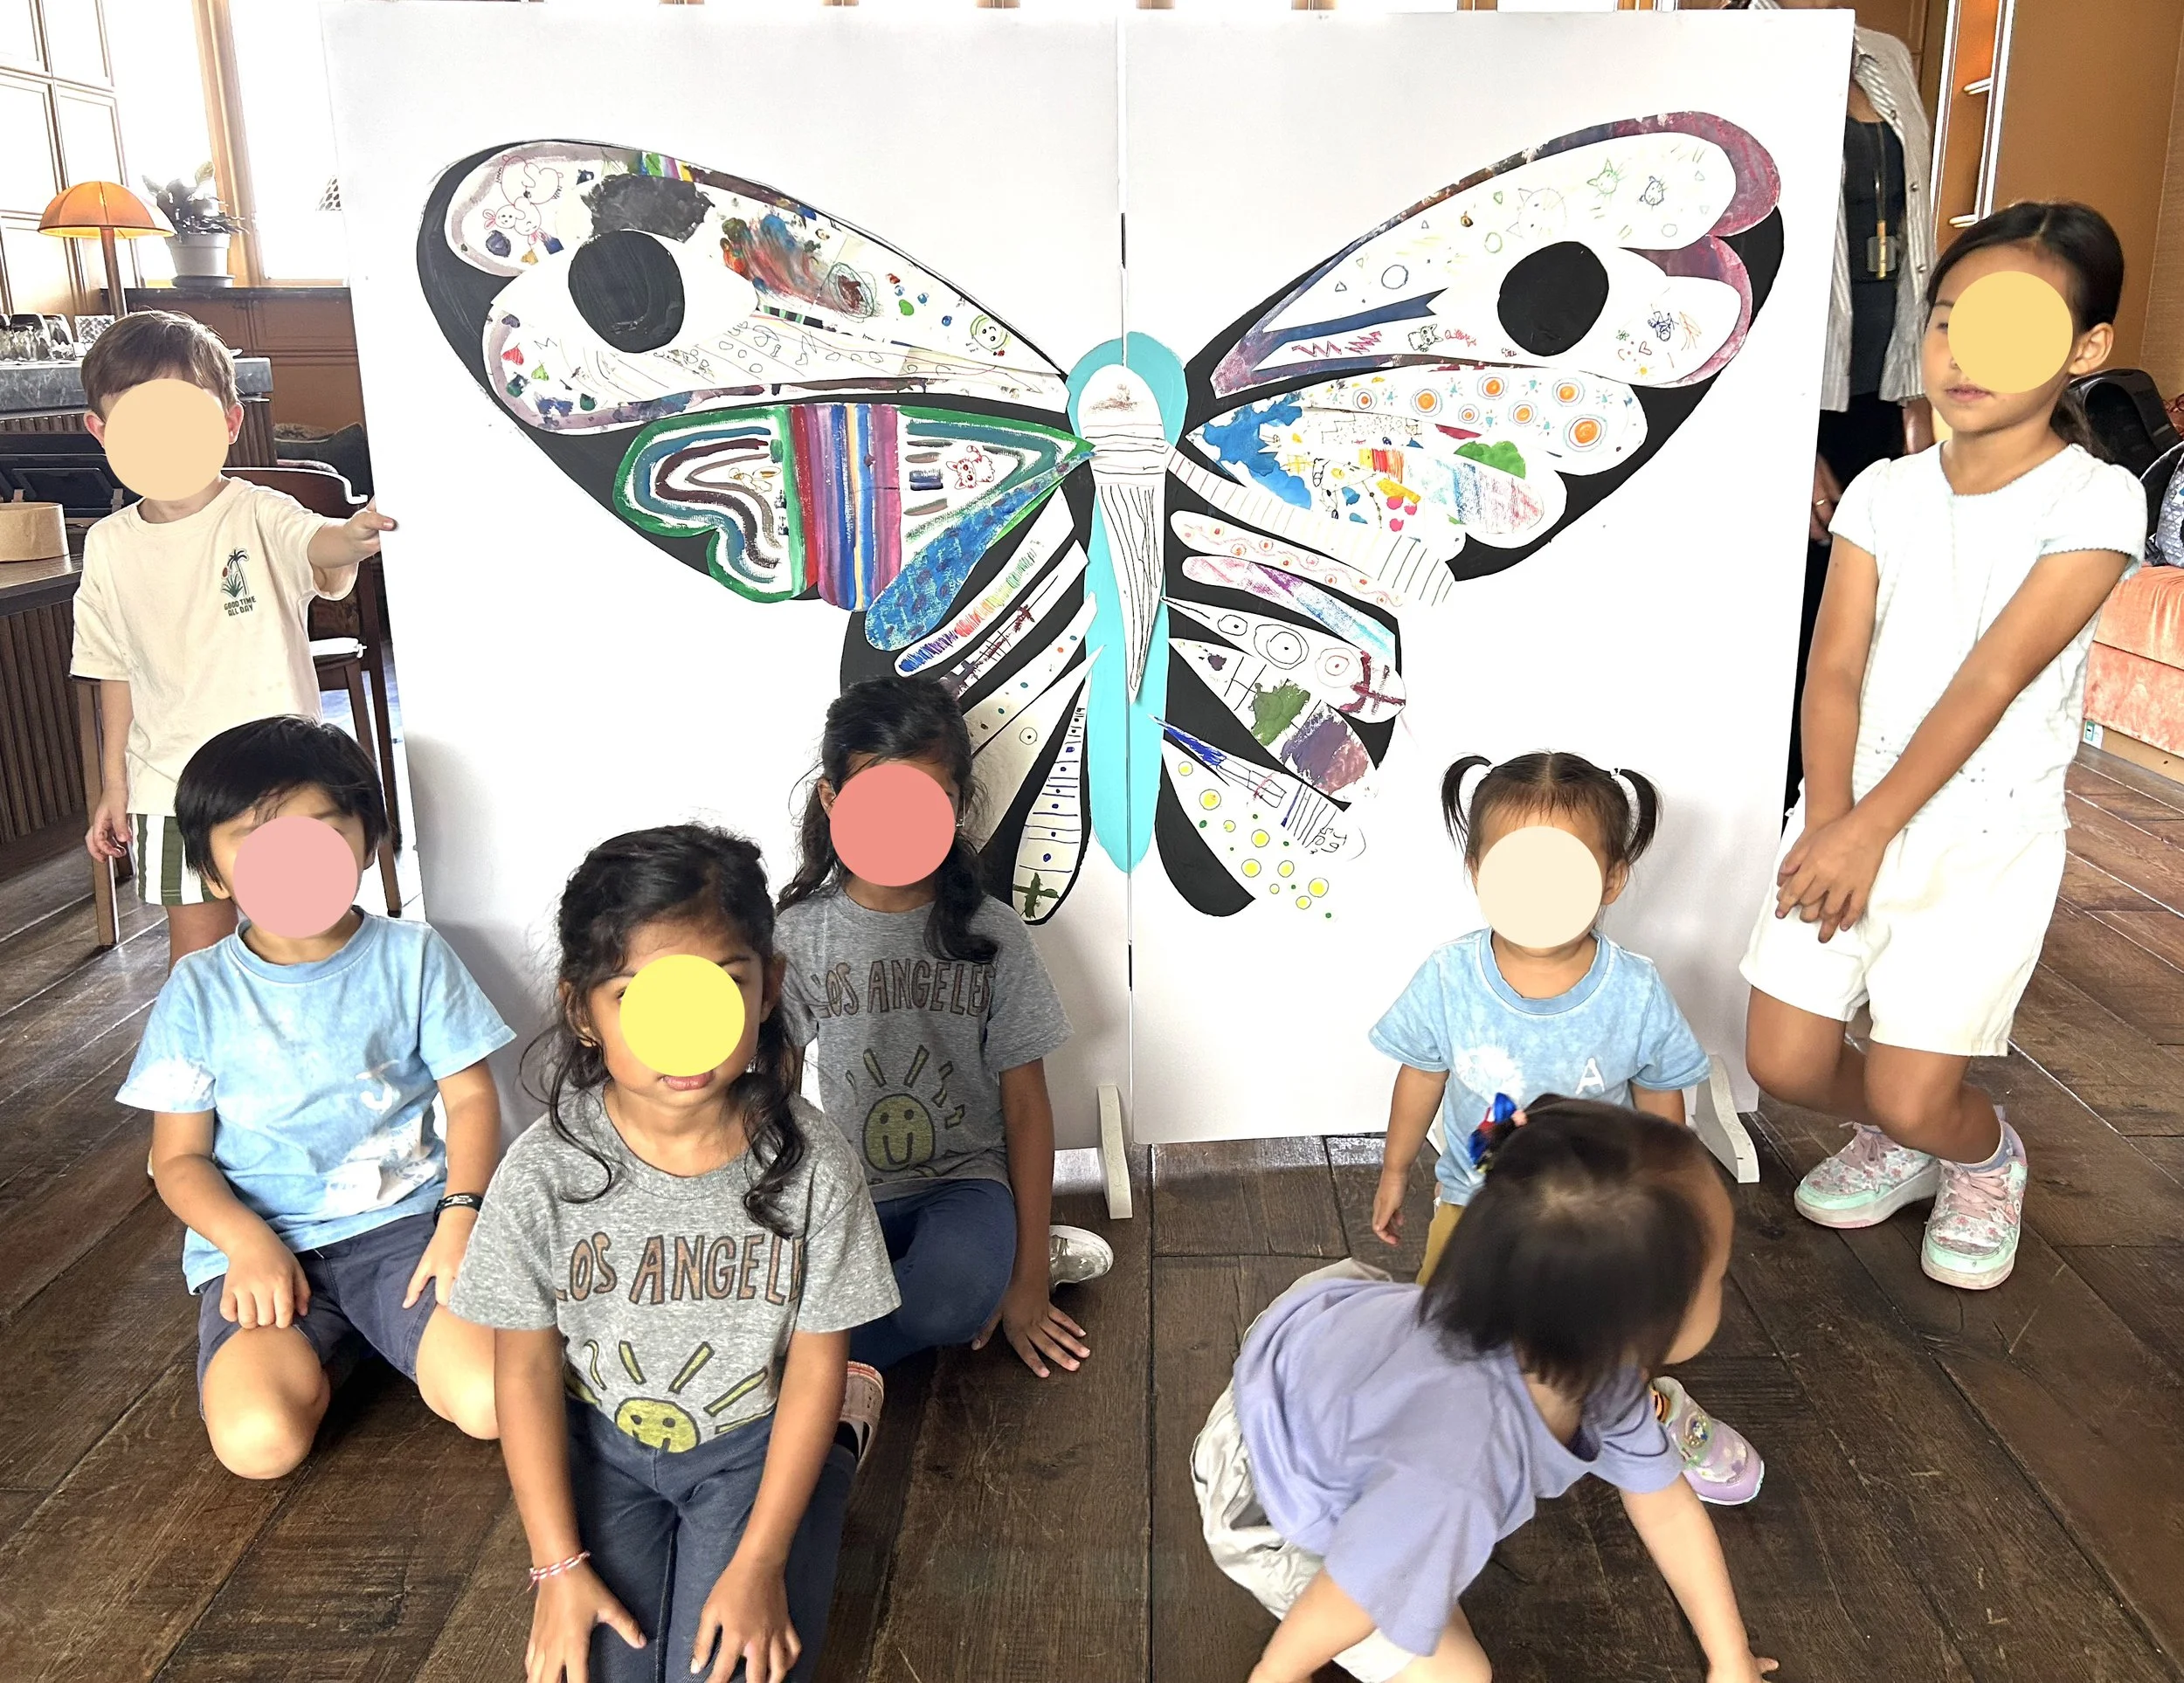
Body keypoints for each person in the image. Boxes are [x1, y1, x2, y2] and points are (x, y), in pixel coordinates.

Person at [1745, 203, 2147, 1291]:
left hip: (1978, 835)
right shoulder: (1884, 490)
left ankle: (1976, 1153)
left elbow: (1990, 679)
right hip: (1846, 810)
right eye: (1949, 321)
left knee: (1912, 1091)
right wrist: (1831, 821)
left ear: (2084, 348)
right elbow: (1833, 668)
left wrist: (1867, 832)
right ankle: (1901, 1133)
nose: (1967, 353)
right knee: (1783, 1060)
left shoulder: (2097, 499)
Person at [453, 825, 897, 1683]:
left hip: (753, 1445)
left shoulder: (816, 1164)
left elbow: (814, 1361)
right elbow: (526, 1367)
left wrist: (761, 1561)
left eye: (722, 985)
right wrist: (556, 1567)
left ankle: (836, 1451)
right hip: (605, 1450)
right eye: (640, 997)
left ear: (768, 989)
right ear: (582, 1010)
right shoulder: (542, 1170)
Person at [1195, 1098, 1777, 1683]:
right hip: (1273, 1481)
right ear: (1637, 1325)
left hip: (1328, 1362)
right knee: (1459, 1674)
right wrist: (1279, 1673)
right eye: (1718, 1277)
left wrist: (1730, 1657)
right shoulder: (1458, 1466)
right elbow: (1344, 1597)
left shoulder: (1591, 1360)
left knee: (1421, 1544)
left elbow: (1665, 1505)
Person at [1367, 751, 1760, 1507]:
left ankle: (1647, 1412)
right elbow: (1421, 1074)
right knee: (1449, 1331)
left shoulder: (1633, 990)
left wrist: (1672, 1200)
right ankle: (1467, 1434)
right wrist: (1394, 1169)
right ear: (1478, 871)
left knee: (1611, 1337)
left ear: (1611, 879)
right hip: (1477, 1202)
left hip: (1598, 1215)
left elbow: (1661, 1095)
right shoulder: (1449, 978)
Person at [121, 715, 508, 1479]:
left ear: (366, 840)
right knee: (258, 1445)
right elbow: (178, 1159)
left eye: (320, 831)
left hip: (406, 1226)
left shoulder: (413, 955)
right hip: (262, 1243)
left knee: (494, 1399)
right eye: (255, 841)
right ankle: (341, 1346)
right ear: (214, 872)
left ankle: (371, 1331)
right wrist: (246, 1242)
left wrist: (461, 1216)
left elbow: (470, 1098)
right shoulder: (197, 991)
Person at [775, 674, 1112, 1381]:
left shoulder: (993, 934)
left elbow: (1026, 1105)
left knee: (945, 1304)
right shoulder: (800, 935)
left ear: (957, 805)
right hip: (849, 1191)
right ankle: (819, 1349)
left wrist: (1023, 1281)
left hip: (965, 1182)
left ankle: (1015, 1258)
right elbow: (770, 1099)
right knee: (769, 1304)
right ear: (832, 800)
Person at [68, 310, 397, 969]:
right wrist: (114, 785)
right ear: (101, 430)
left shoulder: (258, 511)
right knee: (197, 953)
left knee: (309, 939)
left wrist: (354, 534)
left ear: (228, 421)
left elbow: (319, 542)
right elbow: (112, 669)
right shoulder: (107, 545)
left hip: (283, 782)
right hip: (167, 788)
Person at [1738, 0, 1939, 815]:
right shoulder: (1733, 46)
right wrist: (1781, 436)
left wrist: (1917, 389)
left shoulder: (1886, 55)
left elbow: (1913, 234)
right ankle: (1759, 843)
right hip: (1770, 403)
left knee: (1858, 629)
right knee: (1777, 638)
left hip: (1875, 396)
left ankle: (1821, 826)